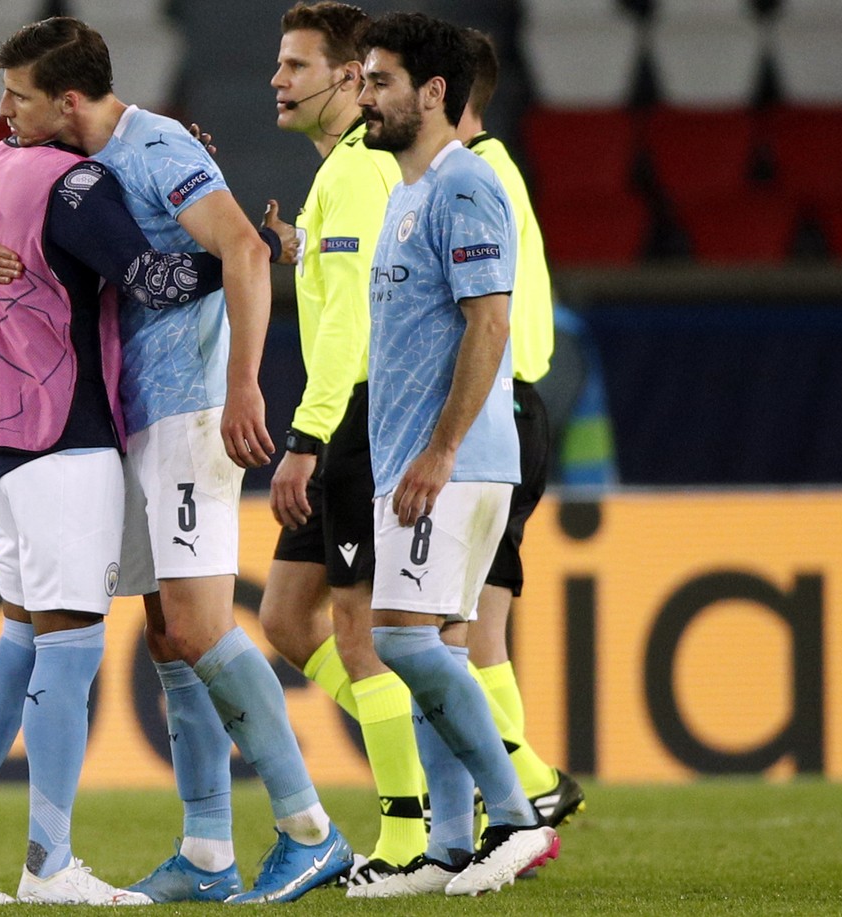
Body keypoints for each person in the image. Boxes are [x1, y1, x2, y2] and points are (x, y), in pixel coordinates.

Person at [0, 16, 353, 905]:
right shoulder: (79, 168)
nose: (2, 111)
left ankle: (309, 829)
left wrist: (244, 385)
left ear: (66, 99)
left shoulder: (158, 143)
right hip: (126, 416)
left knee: (204, 623)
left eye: (17, 95)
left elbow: (244, 249)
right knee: (169, 634)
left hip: (188, 412)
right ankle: (208, 846)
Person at [0, 87, 228, 904]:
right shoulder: (78, 185)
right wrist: (249, 250)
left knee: (23, 634)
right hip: (65, 427)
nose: (0, 109)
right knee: (69, 642)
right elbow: (155, 278)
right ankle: (48, 863)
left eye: (16, 94)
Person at [354, 12, 558, 897]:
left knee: (401, 640)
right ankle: (445, 843)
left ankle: (516, 815)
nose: (364, 95)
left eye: (381, 81)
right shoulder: (407, 190)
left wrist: (439, 452)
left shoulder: (464, 186)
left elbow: (492, 322)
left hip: (453, 464)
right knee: (430, 635)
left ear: (434, 92)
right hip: (412, 460)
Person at [256, 1, 429, 890]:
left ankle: (408, 830)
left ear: (349, 79)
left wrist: (305, 439)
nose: (277, 81)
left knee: (364, 634)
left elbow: (355, 328)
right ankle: (421, 761)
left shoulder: (362, 169)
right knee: (287, 619)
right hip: (346, 417)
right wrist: (298, 250)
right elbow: (346, 281)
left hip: (357, 419)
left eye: (294, 66)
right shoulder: (340, 177)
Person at [457, 28, 586, 830]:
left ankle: (527, 781)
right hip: (513, 404)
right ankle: (528, 780)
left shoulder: (474, 178)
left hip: (500, 405)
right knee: (476, 627)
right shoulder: (495, 170)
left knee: (458, 625)